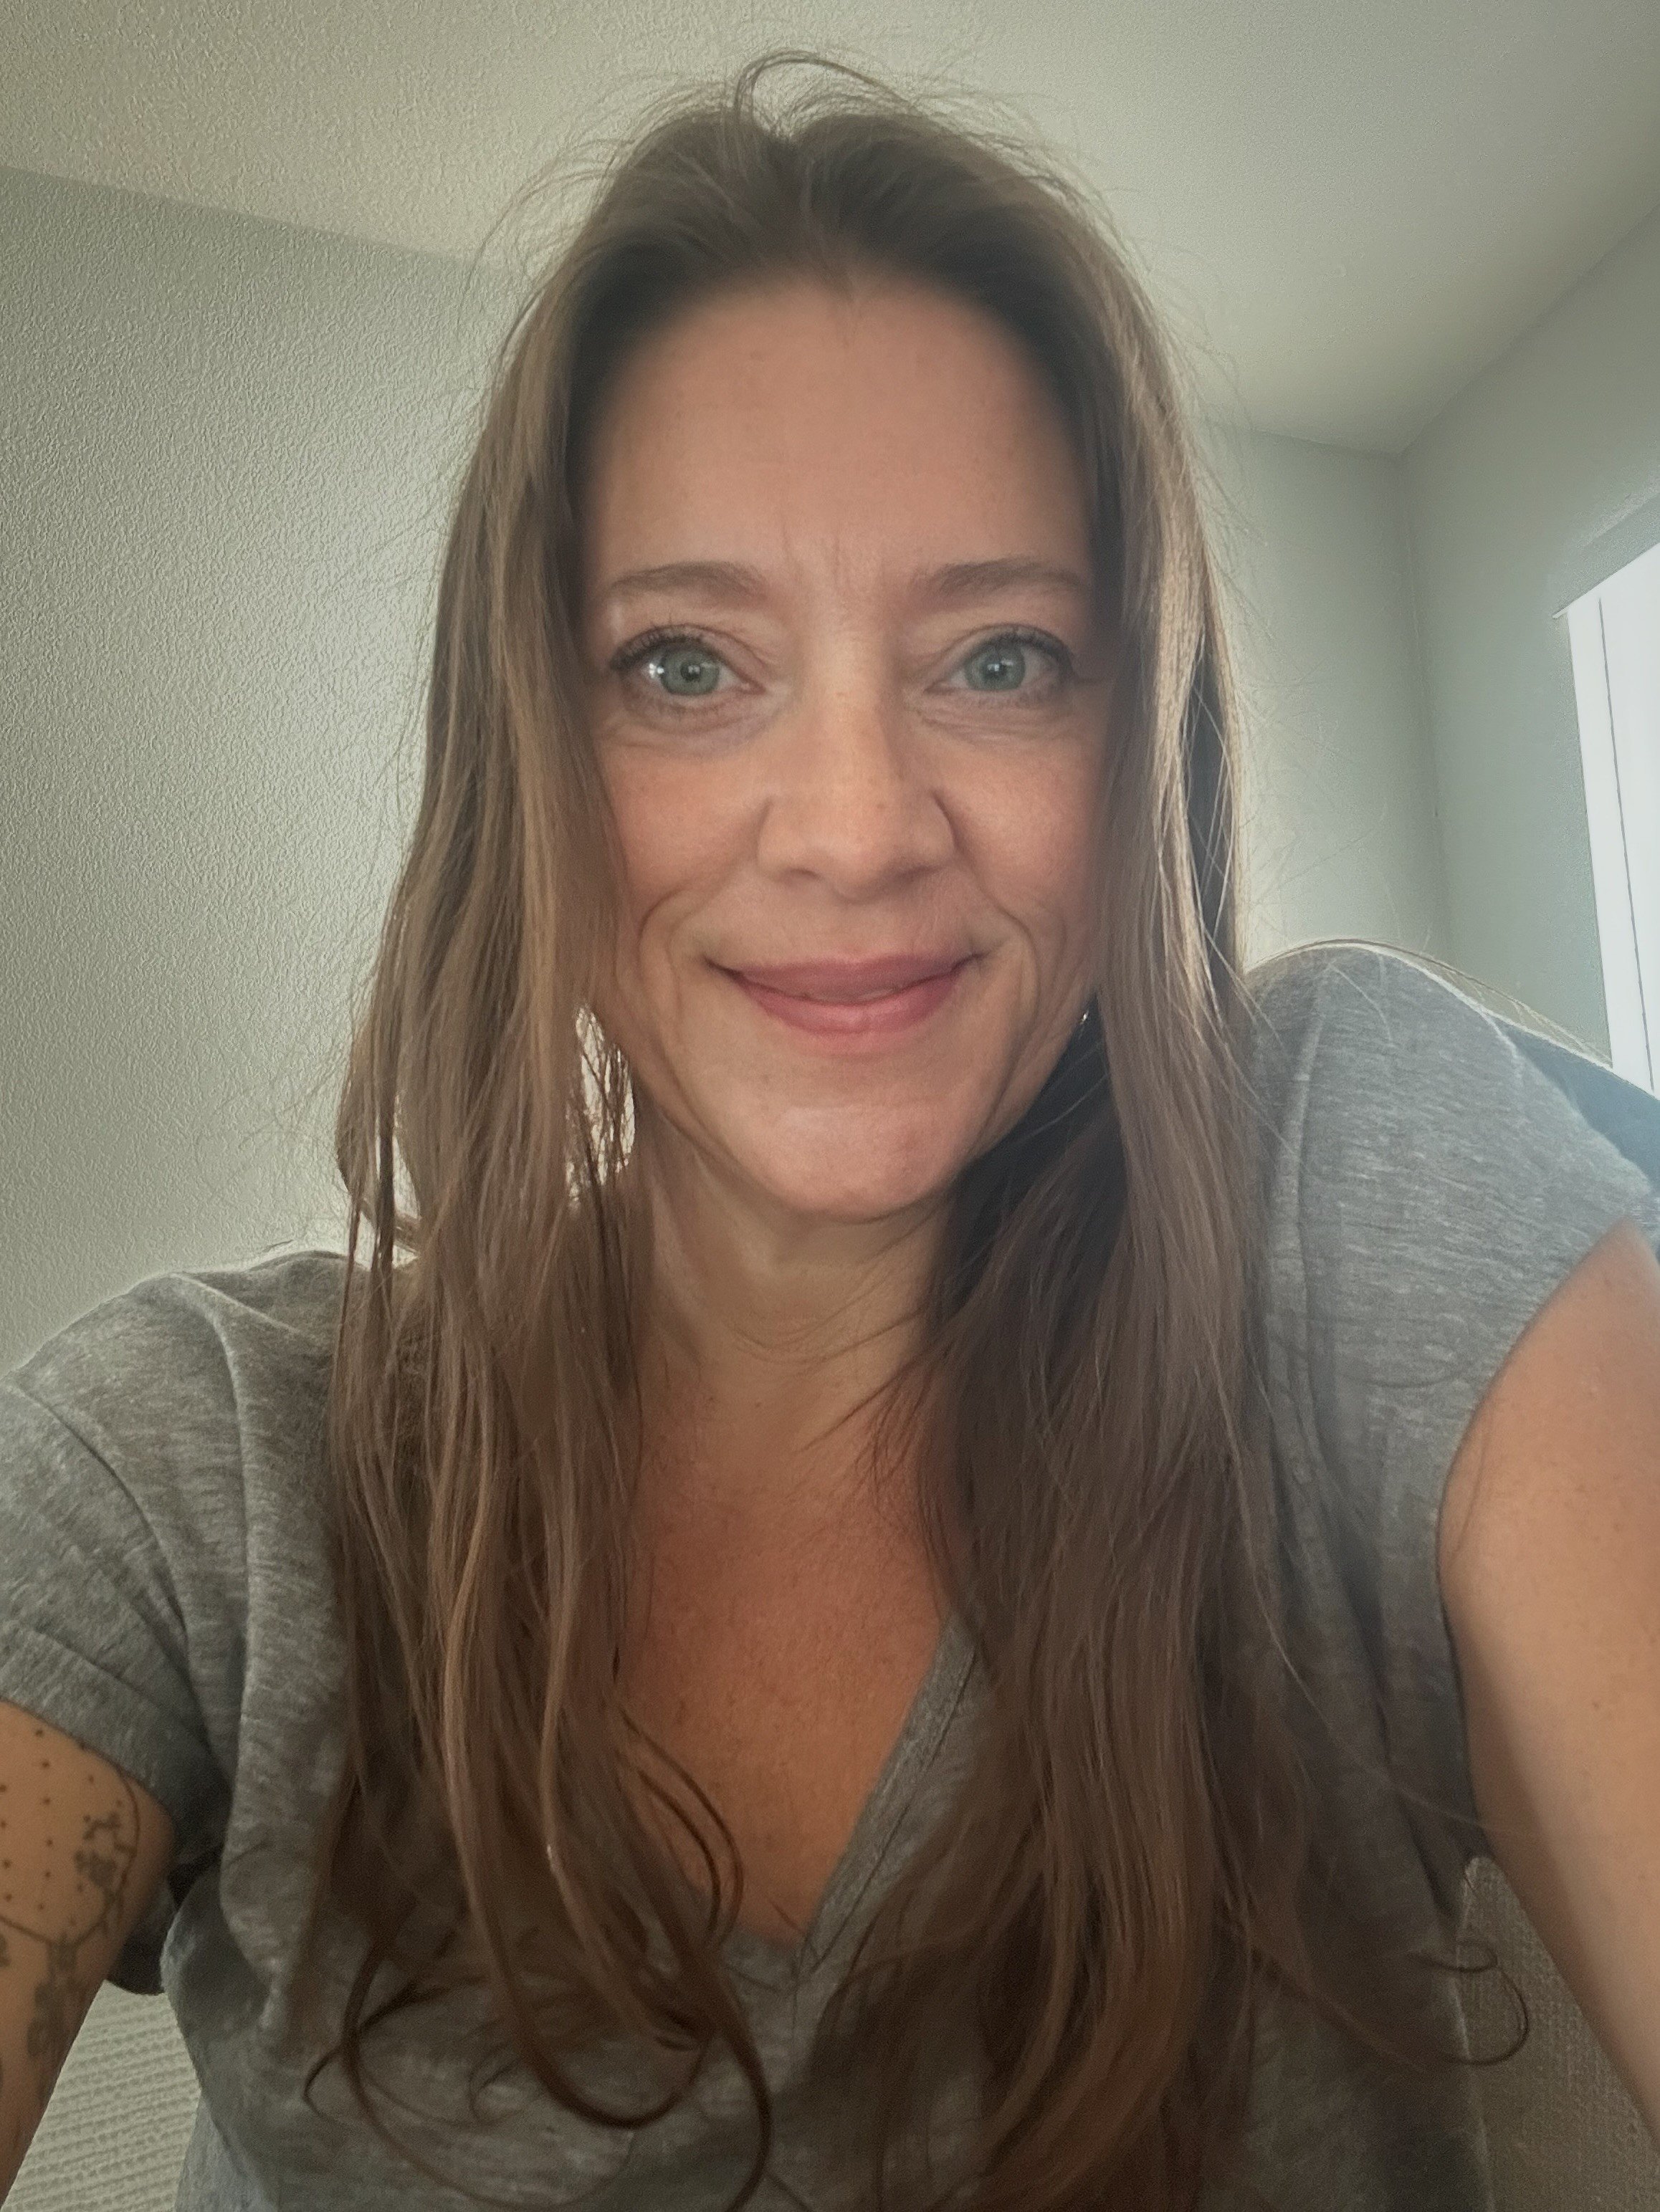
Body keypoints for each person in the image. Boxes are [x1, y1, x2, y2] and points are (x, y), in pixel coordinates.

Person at [1, 51, 1657, 2212]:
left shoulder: (1349, 1188)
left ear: (1134, 742)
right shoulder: (190, 1467)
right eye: (684, 665)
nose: (861, 827)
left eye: (1000, 657)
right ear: (525, 756)